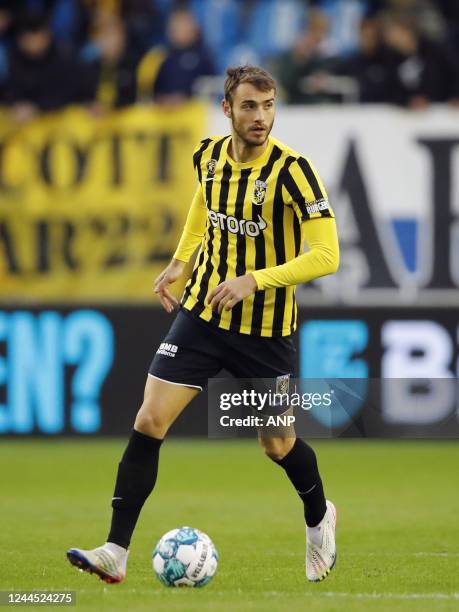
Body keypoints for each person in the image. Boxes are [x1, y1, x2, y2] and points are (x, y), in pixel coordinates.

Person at [66, 65, 340, 584]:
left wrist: (253, 281)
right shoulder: (209, 155)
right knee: (149, 420)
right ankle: (115, 550)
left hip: (264, 329)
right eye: (250, 106)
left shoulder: (294, 171)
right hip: (203, 313)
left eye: (268, 105)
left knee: (277, 445)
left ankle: (320, 515)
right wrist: (182, 259)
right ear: (227, 109)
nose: (261, 117)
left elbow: (327, 256)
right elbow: (204, 202)